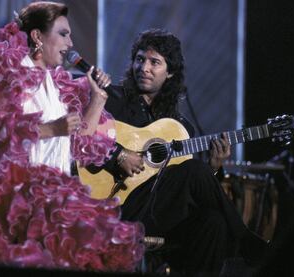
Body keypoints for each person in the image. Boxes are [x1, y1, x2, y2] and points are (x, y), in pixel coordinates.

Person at [0, 2, 144, 272]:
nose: (70, 43)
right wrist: (51, 129)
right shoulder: (6, 71)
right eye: (63, 34)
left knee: (89, 236)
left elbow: (80, 141)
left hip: (46, 190)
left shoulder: (57, 84)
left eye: (69, 35)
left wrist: (97, 98)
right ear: (37, 36)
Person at [101, 29, 268, 276]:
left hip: (158, 213)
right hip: (118, 204)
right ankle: (244, 238)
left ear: (169, 73)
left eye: (154, 62)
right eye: (139, 59)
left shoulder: (180, 127)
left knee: (215, 222)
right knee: (194, 170)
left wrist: (212, 168)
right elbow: (83, 134)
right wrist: (119, 155)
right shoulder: (112, 99)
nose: (144, 67)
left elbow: (180, 189)